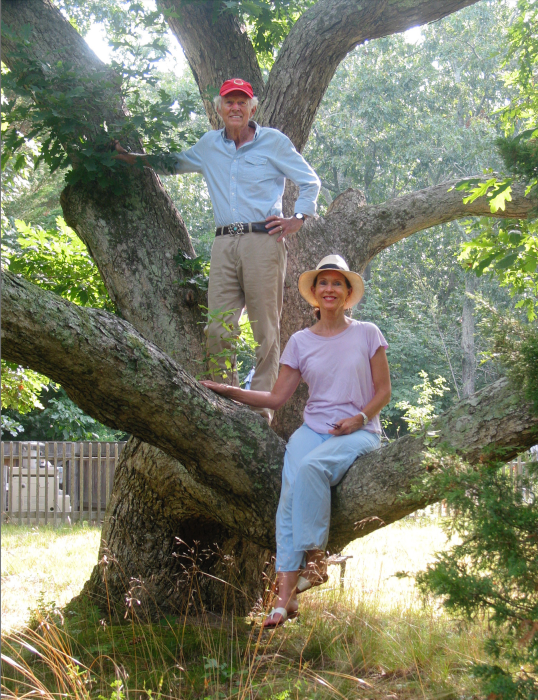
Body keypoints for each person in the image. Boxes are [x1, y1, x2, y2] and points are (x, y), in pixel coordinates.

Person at [201, 255, 391, 628]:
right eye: (324, 283)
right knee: (288, 498)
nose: (330, 289)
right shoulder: (301, 341)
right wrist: (226, 390)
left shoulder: (368, 333)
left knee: (310, 468)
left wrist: (360, 418)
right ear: (314, 294)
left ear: (349, 293)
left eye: (338, 283)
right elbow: (275, 399)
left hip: (361, 433)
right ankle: (283, 599)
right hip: (313, 430)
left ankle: (317, 563)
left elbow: (384, 391)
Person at [115, 78, 321, 420]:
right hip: (223, 243)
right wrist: (132, 159)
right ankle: (224, 404)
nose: (235, 108)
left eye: (242, 102)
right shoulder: (210, 145)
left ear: (253, 108)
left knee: (264, 328)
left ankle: (259, 410)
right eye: (229, 102)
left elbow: (310, 180)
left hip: (263, 242)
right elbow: (174, 162)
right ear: (218, 109)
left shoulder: (274, 142)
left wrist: (298, 216)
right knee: (218, 328)